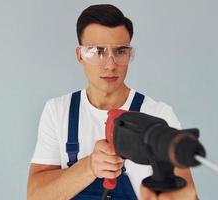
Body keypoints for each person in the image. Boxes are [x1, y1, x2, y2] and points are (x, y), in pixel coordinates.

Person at [27, 4, 198, 200]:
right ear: (80, 55)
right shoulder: (58, 111)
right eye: (97, 51)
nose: (110, 64)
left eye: (120, 52)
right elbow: (35, 196)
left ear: (129, 54)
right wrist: (89, 167)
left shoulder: (159, 116)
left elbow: (188, 194)